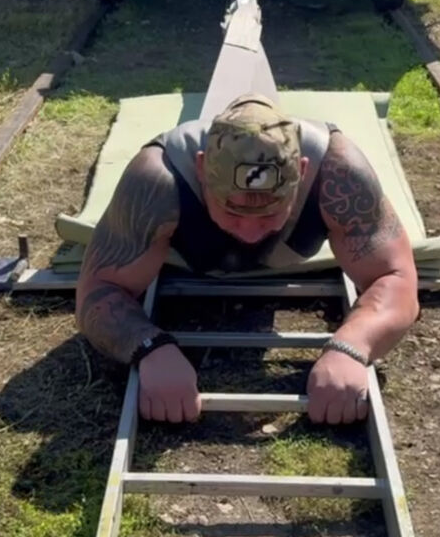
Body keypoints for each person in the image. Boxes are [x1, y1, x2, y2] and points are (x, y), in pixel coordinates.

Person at [75, 93, 420, 425]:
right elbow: (98, 289)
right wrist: (149, 348)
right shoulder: (158, 179)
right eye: (233, 212)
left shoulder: (339, 172)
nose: (251, 233)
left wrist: (353, 346)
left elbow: (396, 276)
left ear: (302, 172)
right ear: (200, 169)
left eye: (270, 213)